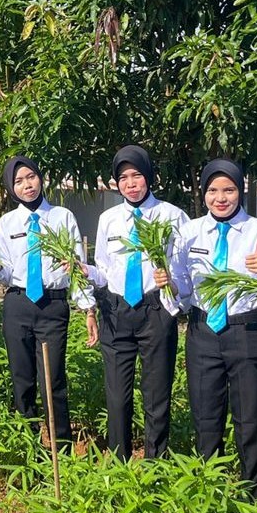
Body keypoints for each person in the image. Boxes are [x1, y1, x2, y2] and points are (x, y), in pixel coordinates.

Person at [169, 159, 257, 497]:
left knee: (251, 418)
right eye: (213, 190)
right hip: (203, 333)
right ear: (203, 193)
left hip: (247, 333)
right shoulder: (189, 232)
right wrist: (170, 286)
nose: (221, 197)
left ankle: (254, 494)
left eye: (229, 190)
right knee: (206, 417)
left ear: (240, 191)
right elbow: (182, 287)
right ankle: (211, 491)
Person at [0, 157, 90, 450]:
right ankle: (27, 447)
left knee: (53, 379)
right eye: (19, 181)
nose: (27, 185)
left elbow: (78, 267)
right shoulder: (5, 224)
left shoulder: (63, 217)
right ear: (11, 189)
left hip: (53, 307)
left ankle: (61, 447)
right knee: (22, 378)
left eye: (31, 177)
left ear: (41, 178)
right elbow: (4, 274)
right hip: (18, 305)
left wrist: (88, 308)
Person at [84, 145, 188, 459]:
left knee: (156, 393)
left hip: (156, 311)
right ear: (116, 182)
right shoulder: (109, 219)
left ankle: (157, 462)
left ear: (149, 177)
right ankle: (120, 462)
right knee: (117, 395)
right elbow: (103, 269)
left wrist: (170, 280)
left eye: (137, 175)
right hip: (116, 312)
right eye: (123, 177)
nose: (130, 183)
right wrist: (85, 271)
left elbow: (185, 268)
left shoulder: (172, 216)